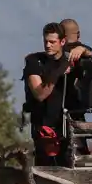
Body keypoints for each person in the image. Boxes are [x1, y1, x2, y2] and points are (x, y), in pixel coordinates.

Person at [23, 22, 74, 166]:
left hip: (67, 125)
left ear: (62, 42)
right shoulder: (35, 62)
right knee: (45, 168)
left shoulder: (69, 59)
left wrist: (83, 50)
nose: (48, 45)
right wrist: (58, 73)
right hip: (44, 127)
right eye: (45, 41)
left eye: (52, 42)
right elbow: (40, 94)